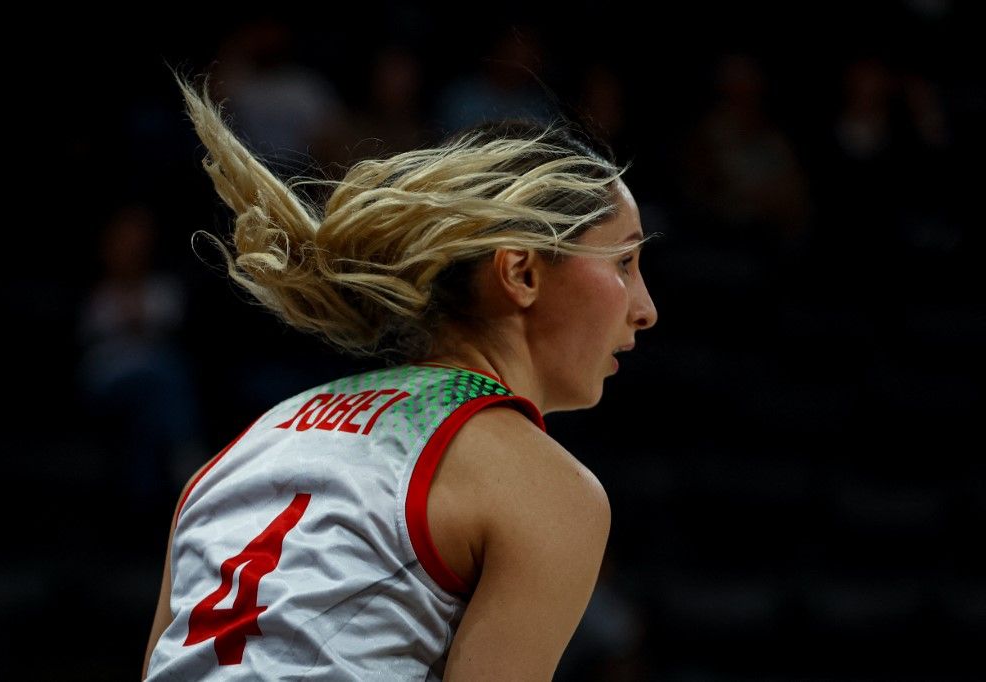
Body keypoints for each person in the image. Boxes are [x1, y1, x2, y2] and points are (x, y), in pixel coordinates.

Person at [143, 68, 658, 681]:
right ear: (521, 273)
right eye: (623, 261)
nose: (646, 308)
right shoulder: (546, 487)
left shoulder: (244, 449)